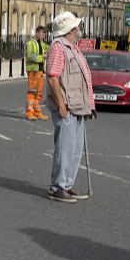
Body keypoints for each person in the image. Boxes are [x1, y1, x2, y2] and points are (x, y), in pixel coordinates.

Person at [44, 12, 95, 203]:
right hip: (67, 106)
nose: (79, 28)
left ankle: (66, 184)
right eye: (77, 26)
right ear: (70, 30)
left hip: (79, 106)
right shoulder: (59, 48)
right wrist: (61, 105)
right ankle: (57, 186)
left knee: (75, 149)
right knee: (64, 148)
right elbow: (52, 77)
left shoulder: (72, 48)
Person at [25, 25, 49, 120]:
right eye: (42, 34)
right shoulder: (31, 43)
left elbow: (49, 48)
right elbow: (30, 56)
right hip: (33, 70)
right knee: (32, 91)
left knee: (38, 92)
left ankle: (37, 111)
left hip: (39, 70)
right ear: (37, 33)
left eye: (44, 34)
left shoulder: (41, 43)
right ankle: (29, 112)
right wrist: (42, 57)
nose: (44, 36)